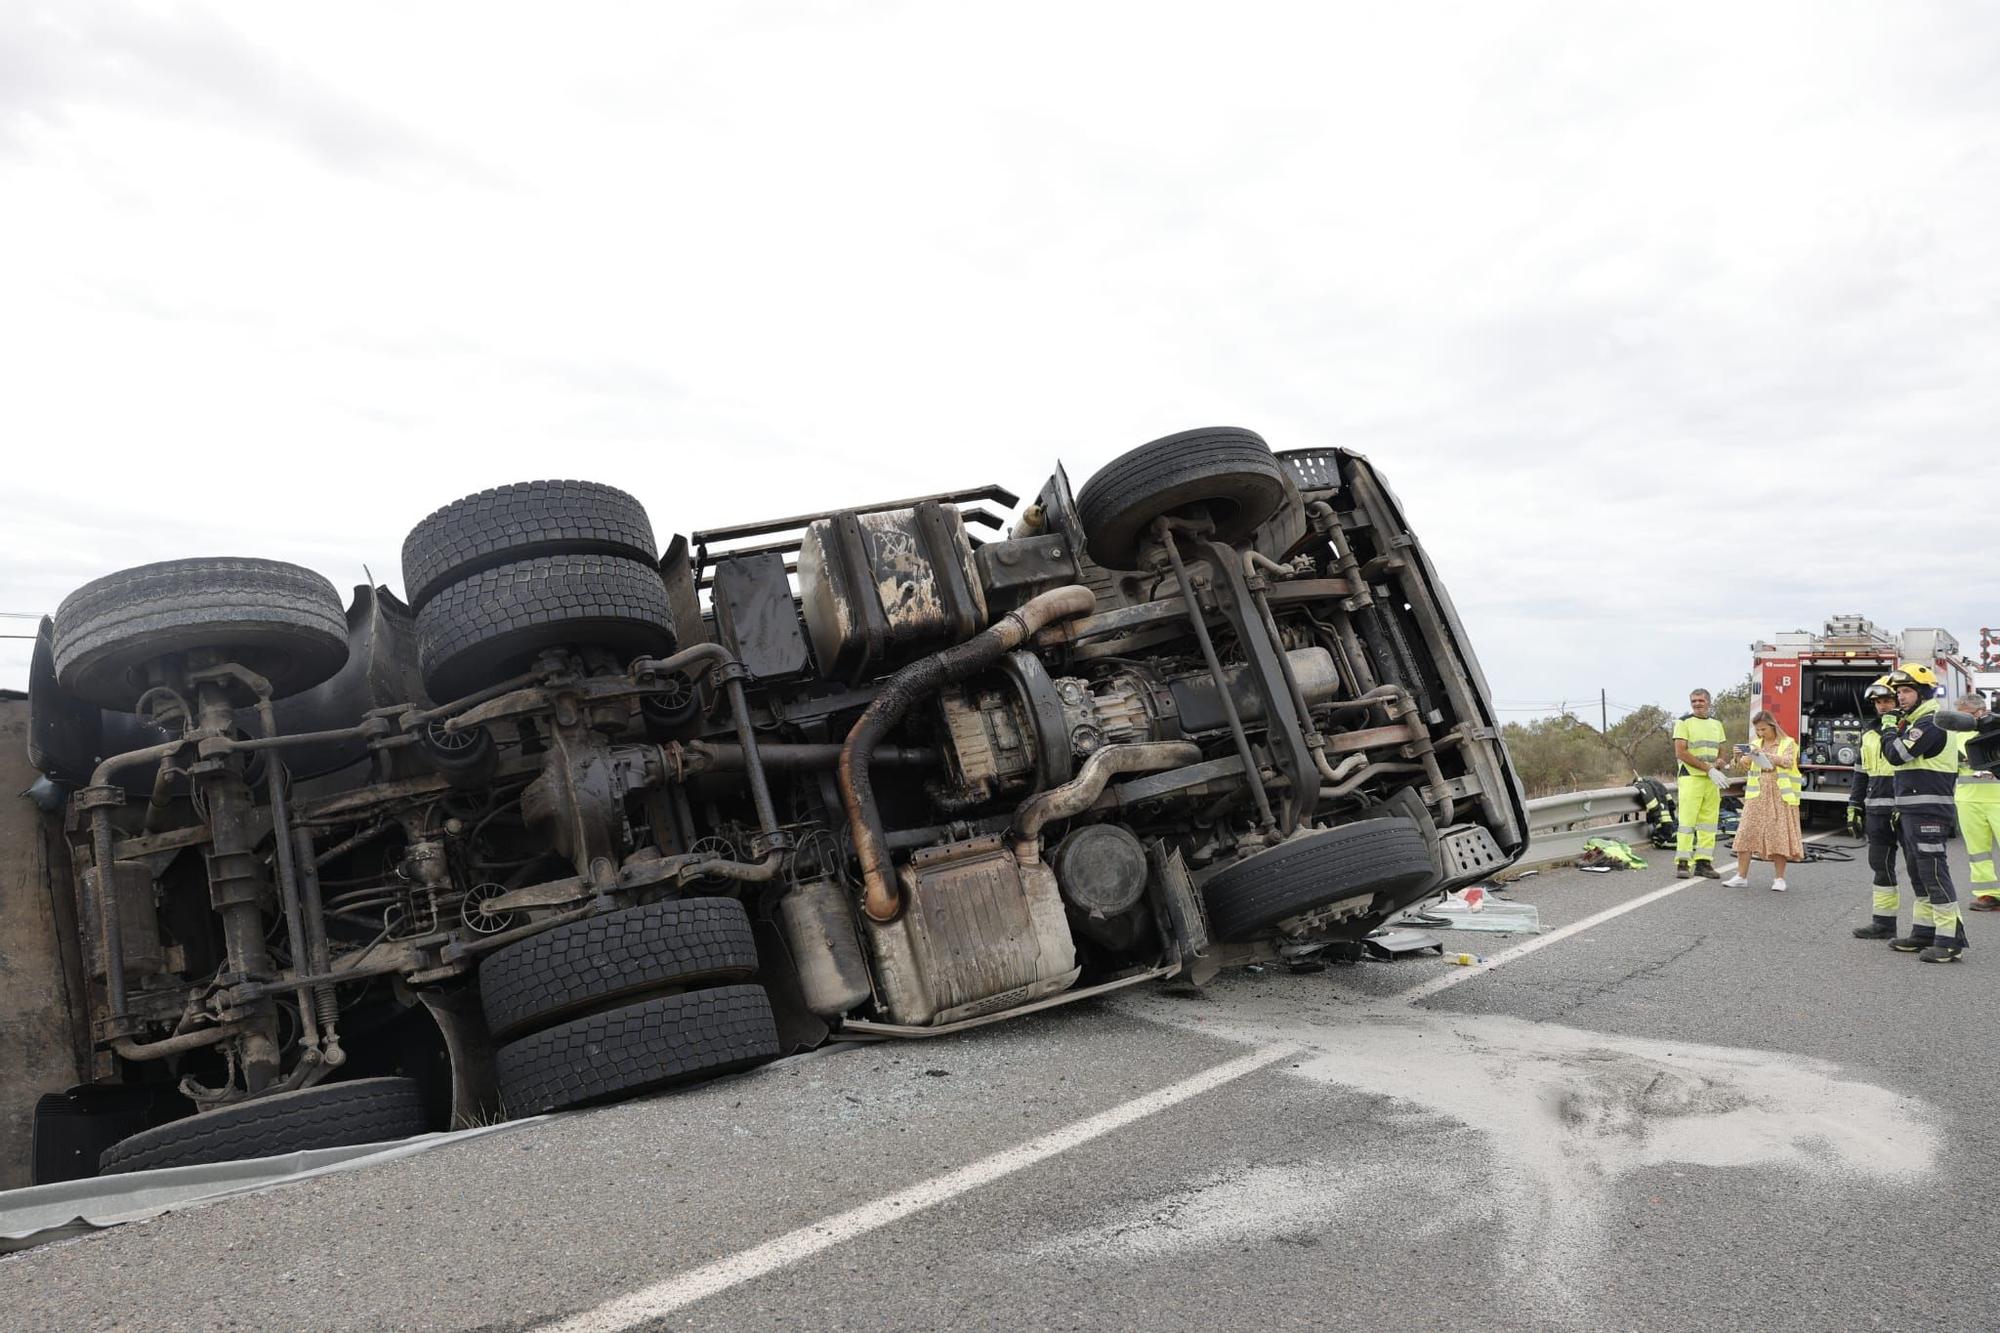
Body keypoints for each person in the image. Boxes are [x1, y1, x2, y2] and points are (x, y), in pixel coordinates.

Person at [1879, 663, 1967, 962]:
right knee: (1918, 873)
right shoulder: (1915, 721)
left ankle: (1950, 940)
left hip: (1929, 810)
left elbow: (1896, 755)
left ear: (1923, 692)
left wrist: (1889, 727)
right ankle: (1924, 933)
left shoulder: (1930, 722)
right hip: (1913, 808)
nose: (1900, 697)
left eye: (1906, 691)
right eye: (1899, 691)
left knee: (1933, 872)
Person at [1849, 677, 1906, 938]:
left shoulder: (1910, 729)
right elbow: (1861, 773)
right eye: (1878, 702)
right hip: (1876, 811)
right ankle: (1883, 924)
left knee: (1920, 869)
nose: (1883, 707)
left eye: (1888, 701)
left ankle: (1927, 928)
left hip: (1905, 810)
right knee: (1880, 866)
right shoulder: (1869, 734)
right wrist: (1854, 806)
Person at [1721, 710, 1804, 890]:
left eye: (1763, 729)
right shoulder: (1755, 744)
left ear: (1773, 726)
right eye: (1758, 730)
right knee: (1745, 833)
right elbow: (1745, 765)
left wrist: (1766, 755)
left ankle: (1779, 879)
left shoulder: (1788, 743)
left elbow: (1789, 761)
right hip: (1756, 796)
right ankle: (1741, 876)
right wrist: (1739, 756)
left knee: (1779, 835)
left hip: (1781, 797)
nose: (1760, 733)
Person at [1670, 688, 1728, 879]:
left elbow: (1722, 751)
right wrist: (1707, 768)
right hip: (1691, 778)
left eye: (1701, 701)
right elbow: (1681, 752)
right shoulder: (1683, 722)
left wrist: (1719, 763)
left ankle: (1704, 863)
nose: (1697, 704)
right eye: (1694, 701)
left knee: (1709, 824)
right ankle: (1683, 863)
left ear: (1708, 702)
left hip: (1711, 780)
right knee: (1687, 822)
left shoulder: (1716, 724)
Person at [1952, 694, 2000, 912]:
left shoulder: (1995, 729)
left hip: (1997, 799)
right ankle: (1987, 895)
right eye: (1960, 716)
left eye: (1968, 715)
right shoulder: (1953, 736)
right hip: (1968, 800)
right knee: (1978, 852)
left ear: (1982, 711)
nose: (1964, 720)